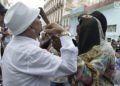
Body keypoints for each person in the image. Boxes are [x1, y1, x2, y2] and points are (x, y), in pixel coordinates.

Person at [2, 2, 78, 86]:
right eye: (38, 17)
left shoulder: (12, 46)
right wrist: (64, 33)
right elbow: (69, 67)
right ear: (31, 27)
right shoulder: (30, 52)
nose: (41, 21)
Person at [69, 14, 115, 86]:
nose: (78, 33)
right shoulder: (87, 46)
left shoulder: (106, 49)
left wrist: (69, 52)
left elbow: (88, 77)